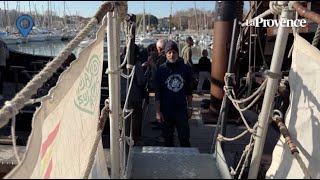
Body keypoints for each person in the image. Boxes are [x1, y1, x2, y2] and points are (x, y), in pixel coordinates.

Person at [154, 40, 193, 147]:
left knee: (184, 138)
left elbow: (189, 91)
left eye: (174, 52)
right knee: (167, 139)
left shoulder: (186, 69)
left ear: (177, 53)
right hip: (166, 110)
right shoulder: (161, 70)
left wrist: (190, 107)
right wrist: (158, 112)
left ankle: (186, 160)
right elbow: (158, 93)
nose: (172, 55)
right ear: (166, 54)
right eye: (169, 52)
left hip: (181, 109)